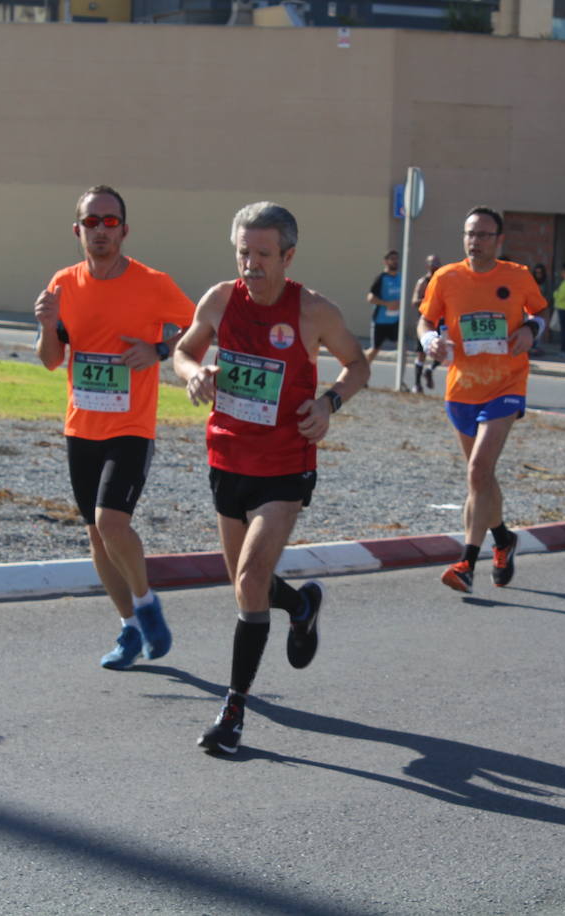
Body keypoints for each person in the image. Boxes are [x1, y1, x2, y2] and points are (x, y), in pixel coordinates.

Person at [173, 202, 369, 755]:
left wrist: (329, 402)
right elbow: (183, 351)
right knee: (242, 580)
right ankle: (301, 607)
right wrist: (195, 375)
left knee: (252, 574)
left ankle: (234, 708)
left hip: (285, 462)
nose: (251, 265)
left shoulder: (313, 311)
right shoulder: (220, 298)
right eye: (243, 253)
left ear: (288, 255)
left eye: (262, 254)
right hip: (227, 457)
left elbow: (358, 365)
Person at [33, 185, 194, 670]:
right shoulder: (63, 283)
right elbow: (51, 360)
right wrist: (46, 325)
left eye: (109, 221)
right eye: (91, 221)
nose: (100, 230)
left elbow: (201, 327)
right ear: (77, 229)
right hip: (81, 425)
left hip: (131, 425)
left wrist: (159, 351)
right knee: (95, 535)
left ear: (124, 229)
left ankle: (147, 607)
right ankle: (128, 627)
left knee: (111, 521)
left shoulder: (152, 283)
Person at [418, 206, 547, 594]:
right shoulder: (446, 277)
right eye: (470, 234)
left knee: (477, 472)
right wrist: (429, 340)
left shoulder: (517, 276)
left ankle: (466, 562)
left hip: (506, 383)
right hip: (461, 388)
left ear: (499, 240)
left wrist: (530, 329)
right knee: (482, 476)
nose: (475, 241)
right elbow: (425, 319)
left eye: (484, 235)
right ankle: (504, 539)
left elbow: (541, 311)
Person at [364, 249, 405, 386]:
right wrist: (387, 304)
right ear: (386, 261)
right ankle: (361, 376)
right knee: (374, 350)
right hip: (380, 321)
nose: (395, 261)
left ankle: (400, 381)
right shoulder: (381, 278)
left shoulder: (400, 278)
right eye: (392, 259)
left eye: (397, 259)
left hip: (395, 321)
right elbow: (370, 298)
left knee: (402, 348)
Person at [409, 254, 444, 393]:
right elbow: (414, 301)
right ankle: (417, 384)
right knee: (421, 353)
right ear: (427, 266)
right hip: (426, 321)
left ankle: (430, 370)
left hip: (441, 321)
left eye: (437, 263)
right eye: (433, 263)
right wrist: (430, 302)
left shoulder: (442, 280)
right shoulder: (423, 282)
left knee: (444, 349)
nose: (435, 266)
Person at [531, 262, 551, 356]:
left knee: (540, 327)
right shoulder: (531, 281)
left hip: (541, 308)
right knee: (531, 326)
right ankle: (531, 346)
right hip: (531, 307)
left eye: (540, 273)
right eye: (537, 272)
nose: (538, 274)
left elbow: (548, 295)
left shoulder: (545, 283)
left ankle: (535, 346)